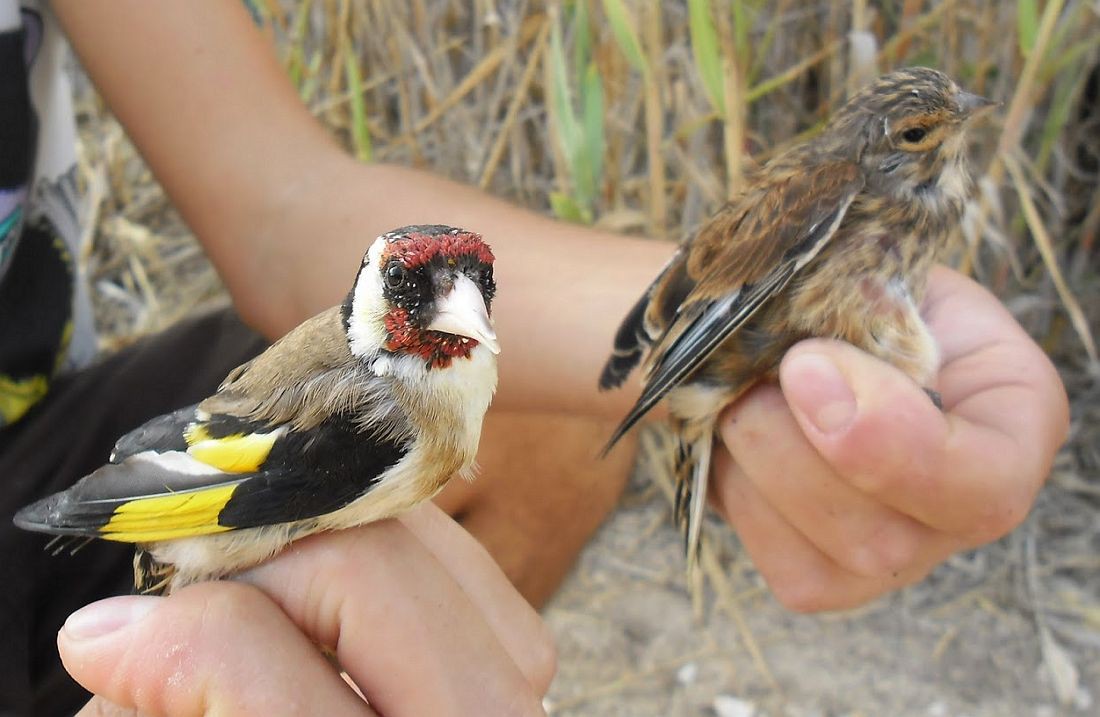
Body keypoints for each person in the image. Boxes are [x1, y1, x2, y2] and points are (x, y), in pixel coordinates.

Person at [0, 1, 1069, 715]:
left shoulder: (423, 376)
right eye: (429, 298)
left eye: (475, 297)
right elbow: (219, 486)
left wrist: (757, 301)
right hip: (186, 514)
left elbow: (279, 200)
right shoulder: (375, 415)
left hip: (53, 441)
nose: (464, 317)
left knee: (555, 427)